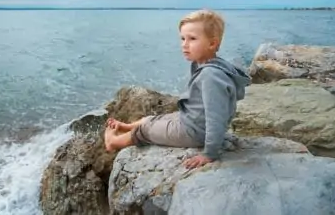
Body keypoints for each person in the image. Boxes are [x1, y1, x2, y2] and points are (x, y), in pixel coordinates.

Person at [104, 9, 251, 169]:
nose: (184, 45)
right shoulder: (206, 64)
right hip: (191, 120)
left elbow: (215, 118)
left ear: (212, 43)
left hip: (195, 132)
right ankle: (129, 126)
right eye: (182, 38)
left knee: (146, 130)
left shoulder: (211, 76)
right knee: (156, 118)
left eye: (192, 39)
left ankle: (113, 142)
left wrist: (209, 153)